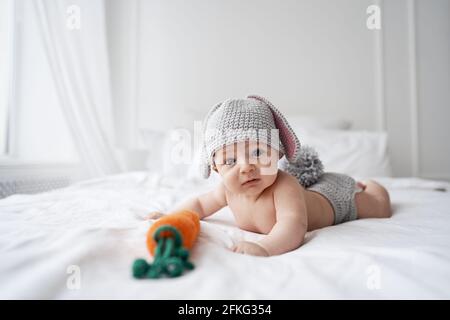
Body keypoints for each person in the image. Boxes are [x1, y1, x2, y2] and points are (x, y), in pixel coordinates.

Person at [148, 95, 392, 256]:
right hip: (316, 193)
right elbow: (200, 204)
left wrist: (264, 248)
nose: (246, 167)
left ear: (277, 153)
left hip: (335, 200)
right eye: (230, 161)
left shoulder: (284, 187)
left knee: (378, 208)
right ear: (215, 167)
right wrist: (172, 216)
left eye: (257, 152)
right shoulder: (227, 190)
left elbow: (293, 225)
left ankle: (371, 186)